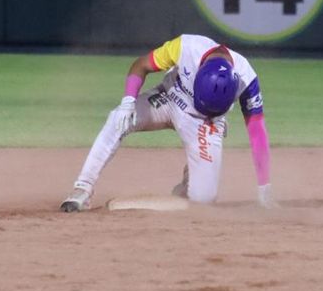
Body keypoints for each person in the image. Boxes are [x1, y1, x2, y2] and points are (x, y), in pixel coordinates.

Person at [61, 34, 275, 212]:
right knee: (118, 118)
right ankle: (83, 188)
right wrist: (128, 101)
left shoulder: (247, 80)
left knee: (203, 202)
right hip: (169, 98)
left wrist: (264, 187)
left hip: (204, 123)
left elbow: (257, 132)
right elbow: (141, 65)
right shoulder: (185, 47)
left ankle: (190, 178)